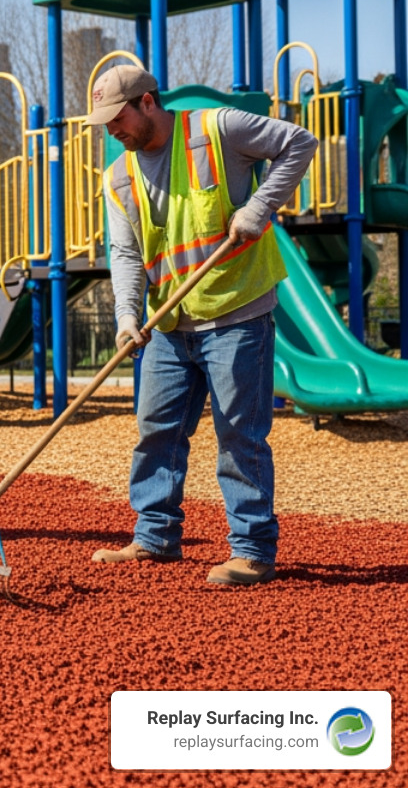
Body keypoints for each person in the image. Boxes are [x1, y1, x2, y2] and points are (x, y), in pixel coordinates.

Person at [86, 65, 317, 586]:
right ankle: (154, 536)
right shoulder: (118, 176)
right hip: (169, 323)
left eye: (117, 117)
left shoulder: (217, 128)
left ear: (148, 102)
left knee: (239, 434)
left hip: (237, 312)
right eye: (104, 123)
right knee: (156, 431)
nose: (112, 130)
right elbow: (126, 253)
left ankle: (252, 550)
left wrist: (259, 208)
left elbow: (300, 142)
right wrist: (128, 316)